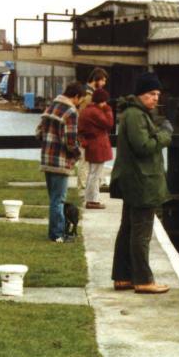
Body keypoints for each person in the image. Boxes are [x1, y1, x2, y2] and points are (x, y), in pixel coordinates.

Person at [110, 72, 174, 294]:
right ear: (140, 94)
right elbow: (144, 147)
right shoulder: (137, 115)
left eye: (157, 94)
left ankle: (123, 277)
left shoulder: (133, 113)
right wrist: (165, 135)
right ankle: (144, 280)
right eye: (151, 94)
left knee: (128, 229)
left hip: (134, 180)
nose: (156, 98)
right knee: (141, 232)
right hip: (141, 182)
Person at [36, 81, 84, 242]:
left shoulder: (51, 106)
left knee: (54, 199)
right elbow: (70, 142)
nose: (79, 104)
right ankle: (57, 235)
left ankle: (54, 232)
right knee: (59, 200)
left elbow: (39, 132)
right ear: (76, 96)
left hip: (46, 158)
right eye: (80, 100)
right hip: (60, 161)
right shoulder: (70, 112)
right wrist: (79, 154)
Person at [78, 87, 114, 209]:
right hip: (98, 145)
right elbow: (109, 124)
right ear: (101, 100)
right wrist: (108, 110)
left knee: (93, 173)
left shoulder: (86, 110)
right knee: (95, 174)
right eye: (105, 101)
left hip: (92, 145)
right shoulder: (96, 112)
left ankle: (92, 198)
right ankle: (92, 200)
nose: (105, 104)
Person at [76, 68, 109, 191]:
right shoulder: (88, 95)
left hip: (90, 133)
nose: (104, 84)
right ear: (96, 79)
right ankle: (83, 186)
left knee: (89, 159)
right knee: (84, 160)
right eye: (103, 80)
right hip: (86, 133)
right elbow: (83, 115)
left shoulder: (89, 92)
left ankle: (89, 184)